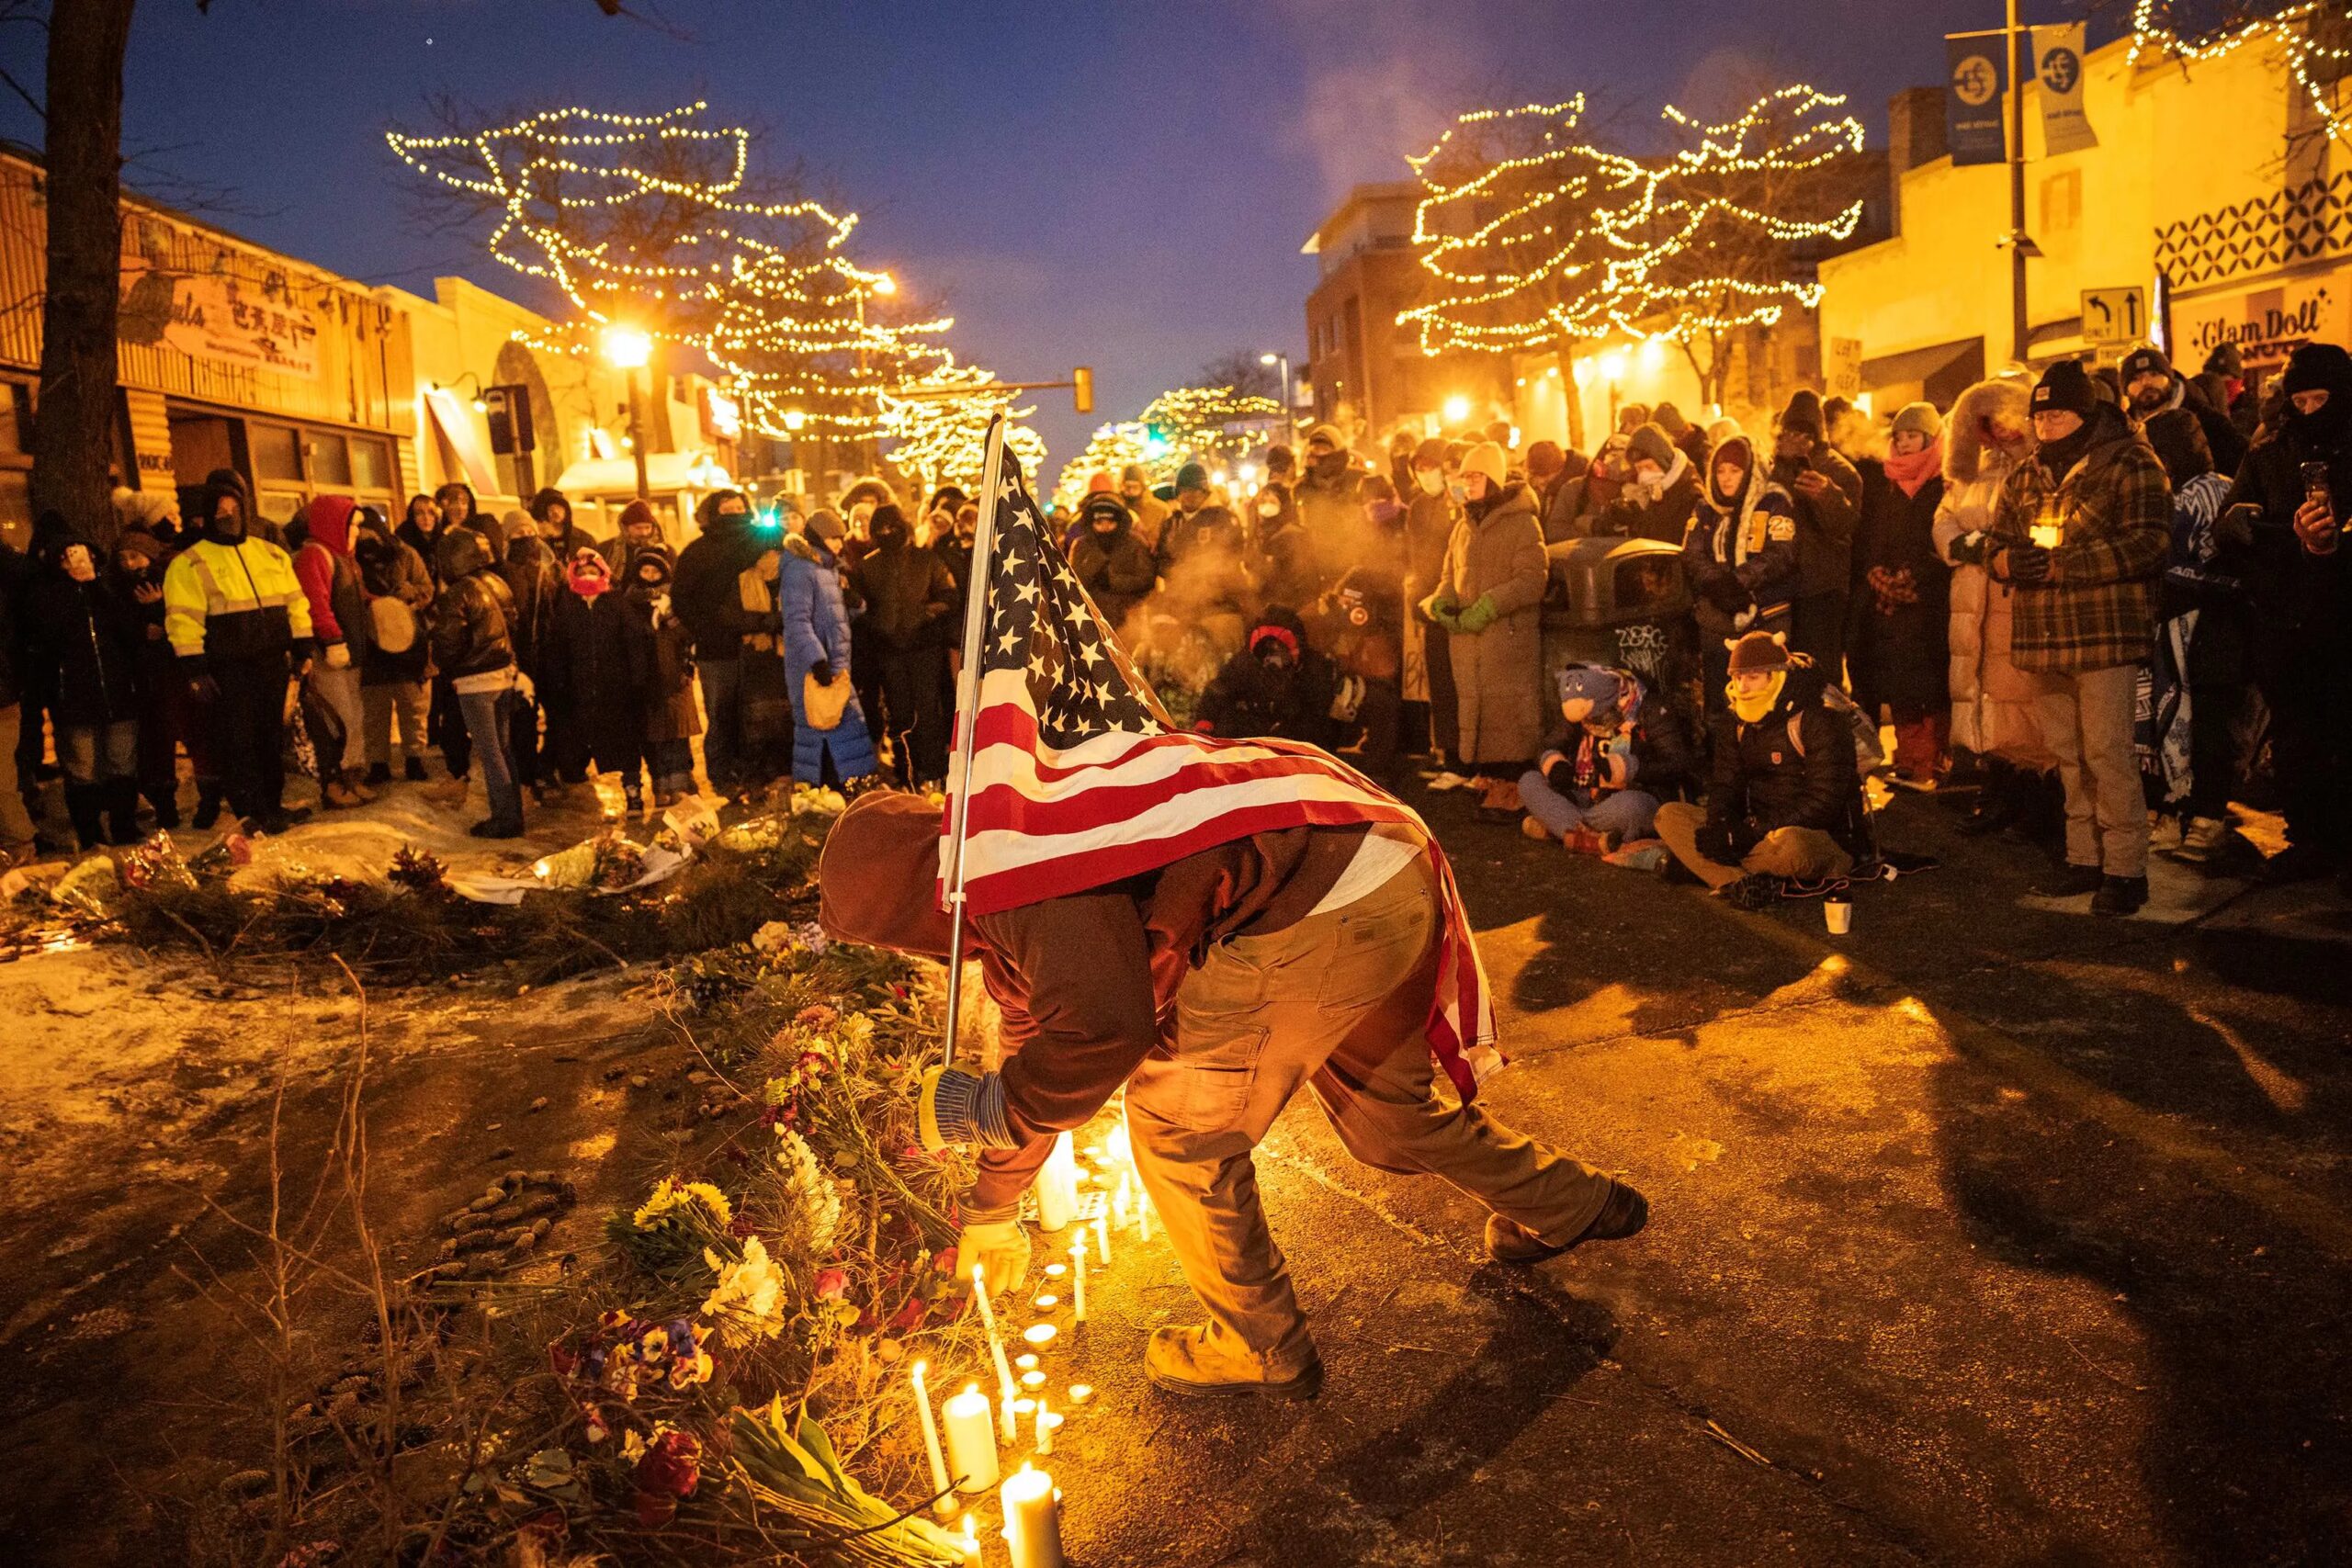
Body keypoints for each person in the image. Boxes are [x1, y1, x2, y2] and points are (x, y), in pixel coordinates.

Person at [815, 790, 1646, 1397]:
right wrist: (994, 1205)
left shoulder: (1014, 881)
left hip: (1309, 900)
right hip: (1380, 859)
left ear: (906, 915)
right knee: (1390, 1117)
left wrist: (991, 1111)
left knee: (1180, 1129)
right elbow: (1035, 1035)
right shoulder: (1006, 828)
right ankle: (1573, 1203)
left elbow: (1103, 1031)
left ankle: (1258, 1344)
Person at [1985, 358, 2172, 915]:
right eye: (2039, 417)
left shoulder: (2131, 462)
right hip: (2044, 638)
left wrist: (2064, 566)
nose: (2045, 426)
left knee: (2108, 752)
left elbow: (2150, 543)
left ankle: (2125, 869)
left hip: (2104, 634)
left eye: (2057, 415)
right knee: (2067, 754)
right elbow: (1996, 541)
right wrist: (2006, 562)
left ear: (2086, 415)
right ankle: (2084, 857)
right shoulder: (2026, 475)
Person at [2219, 340, 2352, 886]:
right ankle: (2309, 838)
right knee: (2297, 736)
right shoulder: (2269, 451)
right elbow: (2234, 510)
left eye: (2321, 399)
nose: (2309, 410)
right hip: (2286, 615)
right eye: (2300, 401)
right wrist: (2235, 523)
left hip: (2342, 612)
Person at [1936, 378, 2058, 838]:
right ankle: (1999, 792)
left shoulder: (2037, 469)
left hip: (2012, 595)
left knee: (2018, 701)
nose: (1998, 432)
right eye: (1987, 423)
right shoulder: (1973, 473)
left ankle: (2035, 801)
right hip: (1973, 598)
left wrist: (1999, 550)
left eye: (2003, 421)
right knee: (1983, 696)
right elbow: (1944, 517)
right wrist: (1963, 545)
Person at [1656, 632, 1862, 898]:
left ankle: (1715, 871)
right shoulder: (1736, 721)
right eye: (1737, 678)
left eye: (1752, 677)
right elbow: (1725, 783)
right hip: (1757, 837)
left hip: (1813, 837)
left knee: (1791, 848)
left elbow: (1824, 803)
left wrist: (1749, 833)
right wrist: (1721, 826)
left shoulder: (1820, 719)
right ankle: (1742, 884)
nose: (1742, 687)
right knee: (1669, 816)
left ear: (1775, 676)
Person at [164, 481, 314, 835]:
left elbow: (295, 602)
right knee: (237, 743)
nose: (227, 515)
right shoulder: (189, 563)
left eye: (233, 508)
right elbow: (183, 621)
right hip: (227, 669)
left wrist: (303, 646)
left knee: (269, 739)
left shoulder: (270, 554)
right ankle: (251, 812)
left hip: (272, 663)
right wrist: (195, 669)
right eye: (220, 509)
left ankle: (272, 806)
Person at [2142, 408, 2246, 861]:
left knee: (2207, 721)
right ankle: (2173, 810)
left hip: (2212, 626)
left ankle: (2206, 816)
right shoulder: (2168, 493)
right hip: (2173, 624)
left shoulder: (2211, 492)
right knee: (2163, 719)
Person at [1419, 441, 1547, 802]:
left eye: (1476, 476)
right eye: (1465, 477)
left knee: (1506, 708)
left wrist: (1489, 605)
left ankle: (1511, 779)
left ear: (1493, 479)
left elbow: (1532, 579)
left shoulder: (1523, 523)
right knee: (1476, 703)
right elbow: (1450, 575)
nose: (1468, 484)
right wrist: (1443, 601)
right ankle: (1484, 773)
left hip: (1506, 636)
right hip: (1468, 638)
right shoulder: (1463, 527)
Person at [1849, 402, 1951, 789]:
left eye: (1913, 436)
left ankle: (1932, 758)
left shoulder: (1943, 483)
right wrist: (1879, 574)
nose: (1905, 444)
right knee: (1899, 680)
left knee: (1930, 681)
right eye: (1900, 437)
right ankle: (1908, 757)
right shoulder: (1888, 484)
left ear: (1930, 438)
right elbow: (1875, 536)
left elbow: (1941, 539)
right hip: (1891, 603)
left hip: (1930, 600)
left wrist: (1915, 577)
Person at [24, 534, 144, 847]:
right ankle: (91, 835)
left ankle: (124, 827)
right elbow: (48, 639)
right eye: (67, 556)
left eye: (80, 553)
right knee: (82, 770)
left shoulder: (109, 590)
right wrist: (71, 590)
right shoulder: (48, 596)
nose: (75, 560)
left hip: (118, 692)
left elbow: (129, 632)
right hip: (73, 698)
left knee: (123, 764)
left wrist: (94, 586)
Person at [1681, 434, 1798, 726]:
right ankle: (1721, 749)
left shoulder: (1773, 502)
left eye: (1734, 470)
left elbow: (1781, 552)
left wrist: (1739, 582)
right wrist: (1718, 586)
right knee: (1720, 700)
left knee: (1765, 696)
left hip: (1766, 614)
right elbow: (1693, 553)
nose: (1726, 478)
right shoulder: (1705, 508)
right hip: (1715, 616)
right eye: (1720, 470)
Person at [848, 504, 956, 787]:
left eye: (892, 528)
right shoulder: (867, 566)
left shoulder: (926, 559)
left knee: (928, 710)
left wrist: (926, 614)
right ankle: (906, 772)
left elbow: (949, 595)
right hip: (888, 651)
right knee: (899, 712)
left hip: (924, 646)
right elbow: (861, 608)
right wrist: (877, 626)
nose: (887, 534)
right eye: (881, 530)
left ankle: (933, 772)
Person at [672, 489, 773, 793]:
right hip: (717, 649)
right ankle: (722, 775)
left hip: (759, 643)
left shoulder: (760, 542)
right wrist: (705, 629)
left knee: (756, 712)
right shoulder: (697, 552)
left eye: (739, 509)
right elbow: (682, 599)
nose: (735, 515)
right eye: (727, 510)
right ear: (713, 514)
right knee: (721, 713)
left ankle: (754, 773)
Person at [426, 528, 525, 838]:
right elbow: (513, 624)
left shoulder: (457, 593)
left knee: (490, 752)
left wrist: (445, 663)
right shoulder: (496, 582)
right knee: (503, 749)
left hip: (476, 681)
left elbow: (448, 641)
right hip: (504, 674)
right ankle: (513, 813)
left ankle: (505, 819)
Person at [1518, 664, 1673, 852]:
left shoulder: (1647, 710)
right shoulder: (1579, 713)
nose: (1591, 721)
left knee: (1635, 807)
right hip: (1580, 795)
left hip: (1624, 798)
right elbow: (1548, 746)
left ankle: (1559, 827)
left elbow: (1676, 763)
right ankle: (1591, 839)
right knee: (1529, 781)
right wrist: (1555, 764)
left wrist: (1627, 768)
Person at [779, 511, 879, 787]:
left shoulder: (827, 568)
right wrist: (817, 660)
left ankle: (849, 784)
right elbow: (797, 621)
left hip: (836, 664)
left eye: (840, 538)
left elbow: (833, 617)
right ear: (817, 538)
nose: (838, 543)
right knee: (821, 726)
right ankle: (824, 785)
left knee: (843, 726)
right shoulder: (800, 570)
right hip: (813, 668)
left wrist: (855, 605)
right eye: (832, 538)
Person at [1770, 389, 1863, 683]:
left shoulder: (1840, 471)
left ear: (1817, 435)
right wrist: (1781, 464)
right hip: (1780, 585)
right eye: (1790, 431)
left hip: (1822, 588)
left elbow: (1844, 526)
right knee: (1782, 671)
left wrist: (1826, 495)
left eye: (1804, 433)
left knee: (1820, 672)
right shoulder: (1773, 467)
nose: (1797, 438)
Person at [291, 495, 374, 809]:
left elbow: (356, 598)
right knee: (336, 717)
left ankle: (352, 774)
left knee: (354, 715)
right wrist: (332, 639)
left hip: (350, 652)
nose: (356, 532)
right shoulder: (315, 556)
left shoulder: (346, 559)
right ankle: (334, 780)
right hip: (329, 653)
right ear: (334, 524)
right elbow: (314, 602)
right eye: (352, 525)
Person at [352, 506, 435, 785]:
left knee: (413, 705)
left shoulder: (405, 554)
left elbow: (426, 589)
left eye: (369, 532)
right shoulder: (351, 560)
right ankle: (378, 762)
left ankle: (415, 758)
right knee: (375, 709)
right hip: (371, 645)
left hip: (408, 641)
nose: (365, 538)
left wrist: (409, 594)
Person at [619, 545, 701, 807]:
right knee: (654, 736)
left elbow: (689, 636)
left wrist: (670, 618)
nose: (650, 576)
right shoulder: (629, 603)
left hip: (675, 676)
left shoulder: (674, 601)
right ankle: (660, 786)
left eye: (655, 571)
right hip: (647, 678)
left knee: (677, 734)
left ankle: (681, 785)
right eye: (645, 571)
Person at [110, 529, 179, 829]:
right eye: (123, 558)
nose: (129, 564)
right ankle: (154, 800)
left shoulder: (166, 581)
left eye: (134, 556)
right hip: (133, 678)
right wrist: (142, 630)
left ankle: (167, 805)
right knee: (144, 745)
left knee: (161, 741)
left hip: (163, 676)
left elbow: (172, 627)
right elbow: (122, 631)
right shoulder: (115, 589)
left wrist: (156, 607)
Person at [1195, 609, 1345, 746]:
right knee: (1228, 723)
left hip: (1295, 735)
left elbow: (1318, 716)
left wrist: (1288, 704)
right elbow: (1217, 692)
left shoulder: (1314, 668)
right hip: (1256, 729)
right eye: (1264, 648)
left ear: (1295, 648)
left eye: (1276, 648)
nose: (1269, 657)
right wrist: (1204, 723)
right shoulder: (1247, 662)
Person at [1399, 439, 1461, 761]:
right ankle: (1448, 751)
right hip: (1430, 602)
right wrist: (1417, 596)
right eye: (1419, 469)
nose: (1426, 474)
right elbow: (1415, 555)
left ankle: (1467, 755)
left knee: (1462, 681)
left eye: (1431, 466)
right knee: (1440, 681)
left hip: (1459, 600)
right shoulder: (1419, 506)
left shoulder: (1458, 500)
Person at [2120, 344, 2247, 478]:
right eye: (2136, 378)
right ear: (2126, 390)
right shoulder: (2124, 435)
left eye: (2154, 374)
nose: (2146, 382)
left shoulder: (2208, 421)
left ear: (2169, 378)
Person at [1596, 423, 1699, 544]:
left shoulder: (1691, 494)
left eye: (1649, 467)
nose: (1644, 474)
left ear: (1664, 462)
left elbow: (1672, 538)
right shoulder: (1654, 490)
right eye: (1639, 468)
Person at [1069, 492, 1158, 632]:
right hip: (1092, 618)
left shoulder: (1135, 543)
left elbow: (1146, 579)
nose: (1105, 528)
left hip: (1128, 617)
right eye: (1099, 523)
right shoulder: (1082, 545)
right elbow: (1072, 582)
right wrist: (1092, 568)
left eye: (1110, 522)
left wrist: (1113, 581)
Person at [1293, 423, 1365, 584]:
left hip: (1354, 565)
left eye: (1323, 449)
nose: (1317, 453)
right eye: (1314, 449)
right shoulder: (1301, 489)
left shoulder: (1357, 481)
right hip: (1316, 570)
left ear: (1337, 453)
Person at [597, 497, 666, 576]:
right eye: (638, 528)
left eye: (647, 527)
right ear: (625, 528)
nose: (644, 533)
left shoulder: (664, 551)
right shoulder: (606, 549)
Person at [1117, 463, 1169, 556]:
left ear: (1142, 486)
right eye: (1128, 487)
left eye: (1135, 487)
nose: (1131, 491)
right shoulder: (1117, 508)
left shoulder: (1160, 510)